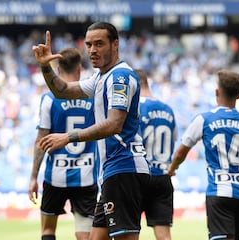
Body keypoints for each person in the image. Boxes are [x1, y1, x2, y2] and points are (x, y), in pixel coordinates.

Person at [31, 22, 150, 240]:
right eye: (88, 45)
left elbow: (115, 123)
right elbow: (62, 91)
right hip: (112, 171)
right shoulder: (100, 78)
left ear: (115, 44)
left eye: (99, 44)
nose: (92, 50)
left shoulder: (119, 77)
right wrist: (45, 66)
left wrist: (68, 137)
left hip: (125, 168)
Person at [168, 70, 239, 240]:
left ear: (217, 92)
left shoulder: (204, 119)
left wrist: (172, 168)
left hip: (219, 192)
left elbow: (180, 152)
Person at [28, 47, 98, 240]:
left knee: (48, 231)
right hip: (86, 176)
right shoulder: (92, 97)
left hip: (56, 176)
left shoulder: (49, 99)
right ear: (79, 70)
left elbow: (41, 141)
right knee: (85, 235)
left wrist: (33, 176)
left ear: (57, 70)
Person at [136, 69, 177, 240]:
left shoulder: (134, 108)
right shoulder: (168, 109)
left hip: (138, 176)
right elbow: (173, 140)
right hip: (163, 176)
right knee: (164, 236)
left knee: (130, 232)